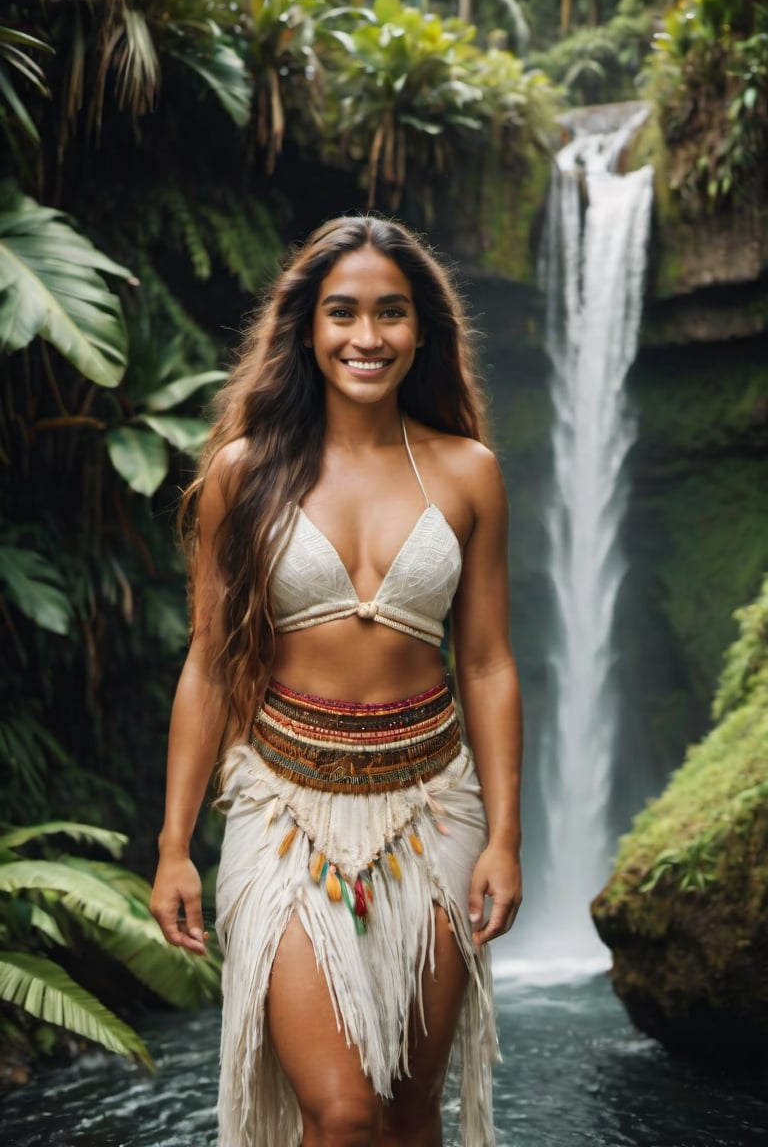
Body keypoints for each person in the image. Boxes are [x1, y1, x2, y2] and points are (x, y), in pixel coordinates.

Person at [150, 214, 523, 1147]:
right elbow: (205, 663)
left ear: (422, 330)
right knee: (343, 1114)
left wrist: (506, 837)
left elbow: (485, 662)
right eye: (343, 313)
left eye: (391, 314)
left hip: (433, 811)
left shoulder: (469, 472)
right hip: (283, 814)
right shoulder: (245, 474)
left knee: (405, 1111)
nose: (368, 337)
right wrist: (172, 845)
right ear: (308, 329)